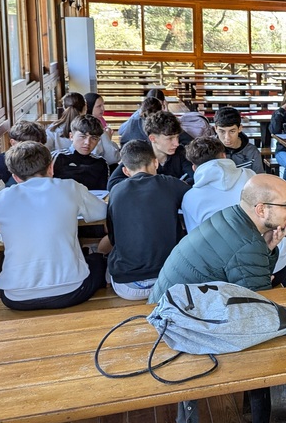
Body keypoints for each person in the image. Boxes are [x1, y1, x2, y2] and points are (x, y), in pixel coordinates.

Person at [151, 174, 286, 423]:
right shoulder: (246, 244)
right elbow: (259, 309)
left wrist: (269, 247)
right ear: (261, 209)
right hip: (177, 327)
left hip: (171, 307)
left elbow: (249, 278)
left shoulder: (233, 218)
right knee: (273, 352)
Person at [0, 141, 108, 310]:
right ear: (51, 167)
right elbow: (102, 212)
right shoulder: (70, 187)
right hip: (70, 292)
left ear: (15, 177)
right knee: (98, 260)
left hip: (16, 297)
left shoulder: (1, 198)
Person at [105, 140, 189, 300]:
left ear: (125, 171)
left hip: (128, 287)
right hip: (169, 281)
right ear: (155, 163)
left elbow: (113, 238)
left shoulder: (116, 191)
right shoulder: (171, 184)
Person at [181, 136, 255, 233]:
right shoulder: (250, 176)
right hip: (256, 239)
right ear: (224, 156)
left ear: (194, 168)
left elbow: (193, 236)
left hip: (214, 242)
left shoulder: (189, 198)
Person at [108, 111, 192, 190]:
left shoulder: (180, 151)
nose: (176, 143)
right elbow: (113, 183)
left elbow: (195, 177)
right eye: (170, 139)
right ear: (152, 138)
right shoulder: (138, 151)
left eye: (177, 137)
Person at [47, 91, 119, 163]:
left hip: (59, 168)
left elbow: (46, 153)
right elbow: (112, 158)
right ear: (85, 107)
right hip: (91, 168)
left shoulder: (53, 129)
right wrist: (108, 140)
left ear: (64, 107)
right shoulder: (95, 127)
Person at [52, 114, 111, 191]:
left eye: (93, 138)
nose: (87, 142)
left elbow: (104, 192)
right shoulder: (58, 158)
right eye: (83, 136)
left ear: (98, 141)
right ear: (71, 136)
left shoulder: (101, 163)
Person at [215, 106, 264, 174]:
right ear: (215, 129)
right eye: (222, 131)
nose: (227, 137)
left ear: (240, 128)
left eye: (232, 131)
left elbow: (259, 178)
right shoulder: (207, 150)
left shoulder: (252, 152)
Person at [0, 120, 46, 184]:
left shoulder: (45, 161)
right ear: (13, 143)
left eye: (36, 147)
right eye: (25, 146)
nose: (30, 151)